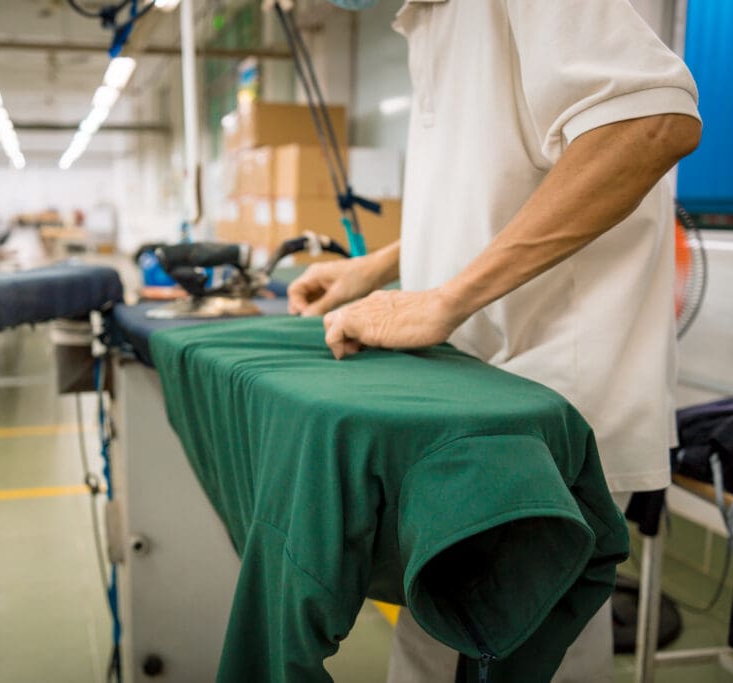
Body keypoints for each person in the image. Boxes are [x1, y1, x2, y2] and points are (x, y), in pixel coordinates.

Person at [286, 1, 702, 681]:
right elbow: (504, 187)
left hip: (549, 401)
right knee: (468, 634)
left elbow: (649, 122)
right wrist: (379, 265)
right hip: (481, 390)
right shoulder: (430, 18)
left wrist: (444, 299)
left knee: (486, 640)